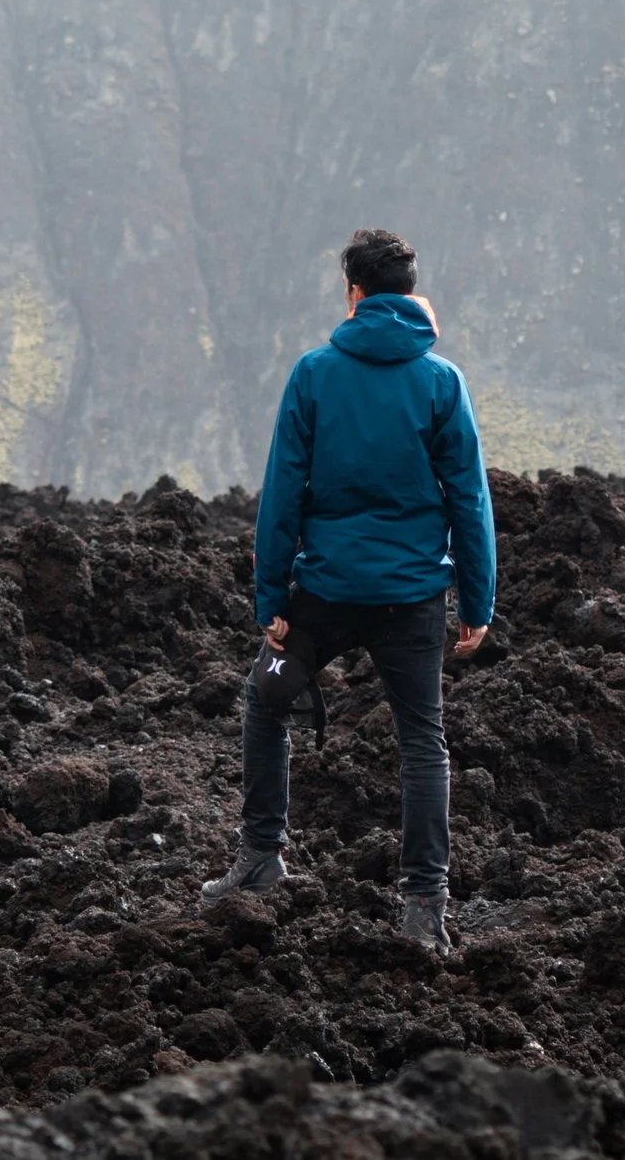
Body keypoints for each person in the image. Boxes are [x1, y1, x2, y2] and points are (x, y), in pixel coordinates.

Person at [201, 228, 495, 955]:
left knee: (265, 696)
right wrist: (478, 602)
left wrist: (271, 599)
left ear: (355, 295)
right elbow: (471, 500)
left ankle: (261, 856)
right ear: (409, 293)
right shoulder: (440, 381)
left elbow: (281, 496)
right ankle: (425, 904)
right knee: (423, 741)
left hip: (324, 593)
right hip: (413, 599)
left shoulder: (313, 373)